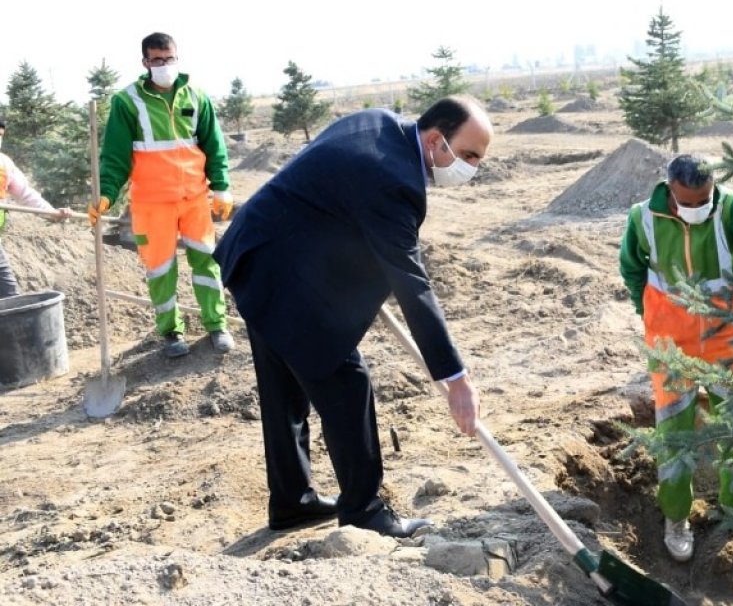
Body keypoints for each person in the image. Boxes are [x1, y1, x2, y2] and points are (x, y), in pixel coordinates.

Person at [212, 96, 487, 537]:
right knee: (346, 379)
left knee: (283, 388)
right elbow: (412, 284)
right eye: (469, 155)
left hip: (258, 253)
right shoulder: (396, 180)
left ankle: (292, 502)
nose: (472, 167)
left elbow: (331, 198)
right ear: (437, 139)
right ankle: (366, 512)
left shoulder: (379, 124)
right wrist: (455, 377)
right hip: (280, 269)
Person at [619, 154, 733, 562]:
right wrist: (649, 316)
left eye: (704, 199)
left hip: (723, 339)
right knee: (674, 432)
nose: (698, 208)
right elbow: (631, 269)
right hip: (670, 347)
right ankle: (676, 517)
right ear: (671, 192)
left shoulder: (732, 208)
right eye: (688, 202)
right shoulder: (643, 217)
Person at [90, 32, 234, 358]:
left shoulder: (196, 96)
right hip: (151, 204)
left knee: (208, 263)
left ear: (177, 57)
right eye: (157, 60)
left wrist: (221, 187)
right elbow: (114, 157)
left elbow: (214, 146)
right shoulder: (127, 102)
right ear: (145, 63)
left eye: (169, 59)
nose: (164, 65)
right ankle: (171, 333)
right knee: (160, 269)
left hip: (194, 199)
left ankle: (216, 325)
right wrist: (107, 195)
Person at [0, 119, 72, 297]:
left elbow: (26, 194)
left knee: (9, 295)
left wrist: (53, 213)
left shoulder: (4, 164)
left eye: (0, 136)